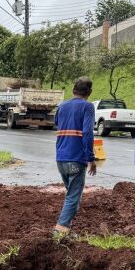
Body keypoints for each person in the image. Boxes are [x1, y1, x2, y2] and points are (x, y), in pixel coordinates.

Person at [53, 76, 97, 237]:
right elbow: (87, 133)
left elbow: (57, 122)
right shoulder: (87, 107)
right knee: (73, 197)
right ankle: (60, 230)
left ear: (73, 90)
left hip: (61, 158)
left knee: (72, 196)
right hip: (76, 159)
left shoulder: (62, 106)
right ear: (89, 92)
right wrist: (91, 159)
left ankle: (66, 229)